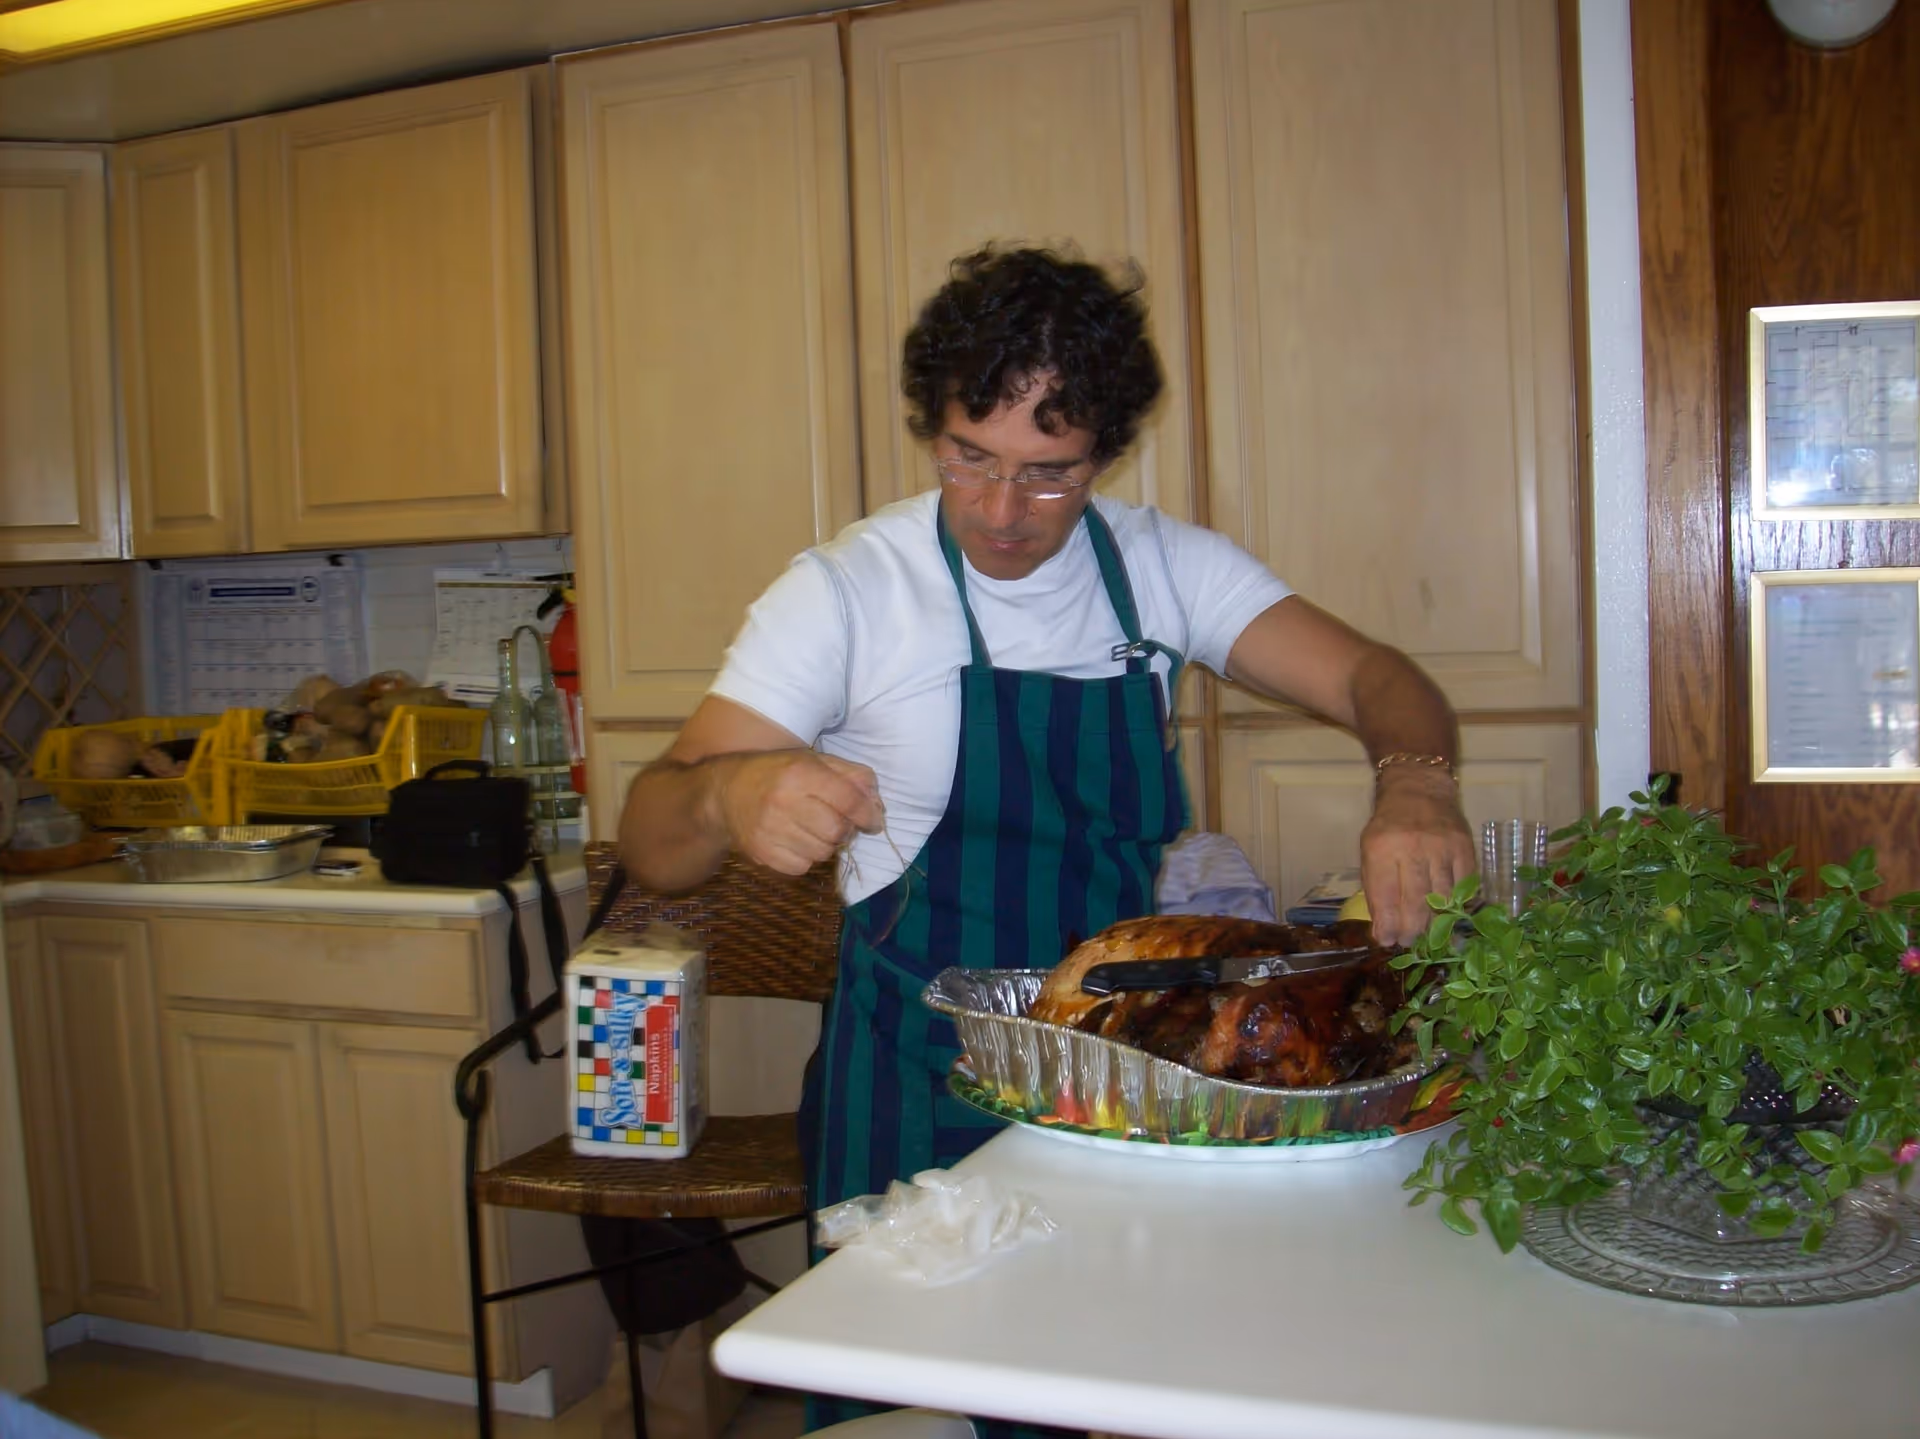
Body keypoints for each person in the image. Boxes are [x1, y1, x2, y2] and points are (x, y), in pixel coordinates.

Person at [619, 245, 1475, 1432]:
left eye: (1047, 474)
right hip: (912, 1084)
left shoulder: (1162, 569)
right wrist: (725, 796)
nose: (1002, 512)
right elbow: (654, 838)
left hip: (1119, 1073)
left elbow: (1383, 677)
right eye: (970, 458)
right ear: (933, 429)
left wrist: (1419, 787)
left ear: (1105, 455)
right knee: (909, 1399)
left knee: (1094, 1380)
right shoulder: (849, 591)